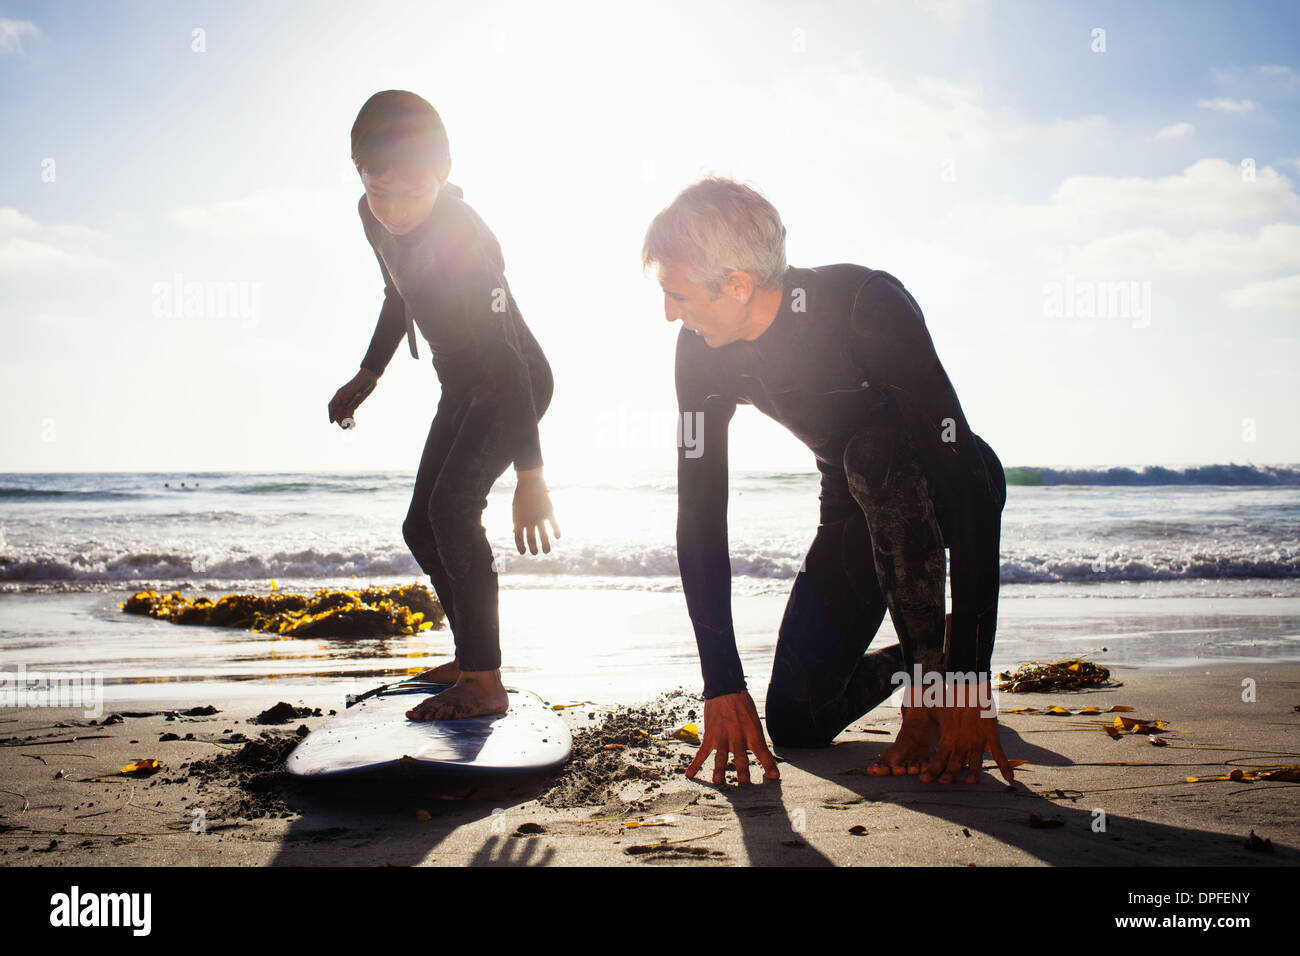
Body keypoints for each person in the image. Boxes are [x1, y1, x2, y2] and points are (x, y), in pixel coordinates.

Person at [642, 177, 1013, 785]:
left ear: (736, 285)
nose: (669, 313)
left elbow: (966, 479)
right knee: (796, 721)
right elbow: (700, 516)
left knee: (872, 455)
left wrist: (968, 675)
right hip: (853, 506)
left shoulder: (866, 305)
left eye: (676, 294)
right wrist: (723, 684)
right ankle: (924, 652)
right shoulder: (701, 352)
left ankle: (931, 684)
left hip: (951, 488)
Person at [328, 91, 559, 720]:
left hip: (512, 381)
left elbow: (508, 361)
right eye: (381, 192)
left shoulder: (466, 242)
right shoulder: (372, 217)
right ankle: (470, 658)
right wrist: (370, 372)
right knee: (419, 525)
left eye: (413, 194)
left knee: (453, 511)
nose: (396, 211)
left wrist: (530, 476)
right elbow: (397, 293)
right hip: (462, 384)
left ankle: (485, 683)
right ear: (361, 176)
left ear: (443, 174)